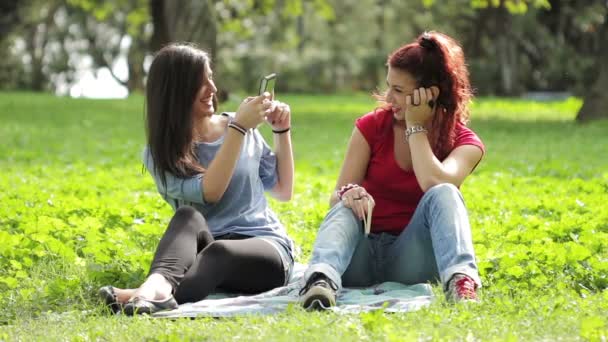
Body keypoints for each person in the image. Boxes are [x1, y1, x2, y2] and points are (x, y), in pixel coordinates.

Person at [99, 43, 295, 315]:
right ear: (175, 92)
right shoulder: (161, 155)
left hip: (265, 248)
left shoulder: (239, 127)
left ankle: (143, 294)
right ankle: (156, 289)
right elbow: (210, 191)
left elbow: (284, 190)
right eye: (200, 83)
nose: (213, 89)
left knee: (219, 253)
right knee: (186, 217)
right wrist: (239, 128)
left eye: (211, 78)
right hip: (207, 249)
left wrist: (281, 130)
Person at [298, 31, 485, 310]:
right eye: (389, 87)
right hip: (360, 255)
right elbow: (335, 201)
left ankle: (461, 284)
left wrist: (415, 127)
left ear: (430, 94)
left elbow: (434, 182)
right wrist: (351, 194)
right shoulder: (371, 126)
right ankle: (320, 281)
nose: (389, 98)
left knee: (446, 192)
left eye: (398, 90)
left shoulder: (465, 142)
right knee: (345, 201)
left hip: (412, 260)